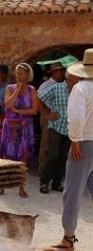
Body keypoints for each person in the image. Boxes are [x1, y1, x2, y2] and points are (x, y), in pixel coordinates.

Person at [44, 48, 93, 251]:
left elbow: (77, 118)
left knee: (72, 190)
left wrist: (75, 140)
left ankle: (67, 239)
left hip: (84, 143)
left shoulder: (81, 89)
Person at [0, 63, 38, 198]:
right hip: (10, 127)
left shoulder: (32, 90)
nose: (18, 75)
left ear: (28, 75)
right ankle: (2, 186)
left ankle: (21, 187)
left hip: (25, 127)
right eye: (17, 73)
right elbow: (8, 104)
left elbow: (34, 110)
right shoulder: (10, 88)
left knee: (23, 157)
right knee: (5, 157)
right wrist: (17, 90)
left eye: (21, 73)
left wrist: (18, 111)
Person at [38, 72, 78, 194]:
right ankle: (44, 182)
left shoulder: (79, 90)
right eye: (77, 75)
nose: (79, 77)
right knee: (53, 155)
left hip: (70, 128)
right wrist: (47, 114)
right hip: (56, 126)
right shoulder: (57, 87)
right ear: (69, 76)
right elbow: (38, 97)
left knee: (63, 157)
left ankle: (57, 182)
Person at [38, 62, 66, 172]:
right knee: (46, 144)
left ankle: (50, 171)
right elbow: (38, 99)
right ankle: (42, 170)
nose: (62, 73)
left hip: (55, 118)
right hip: (48, 117)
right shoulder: (47, 85)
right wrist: (46, 113)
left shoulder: (61, 85)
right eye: (60, 71)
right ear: (55, 72)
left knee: (53, 146)